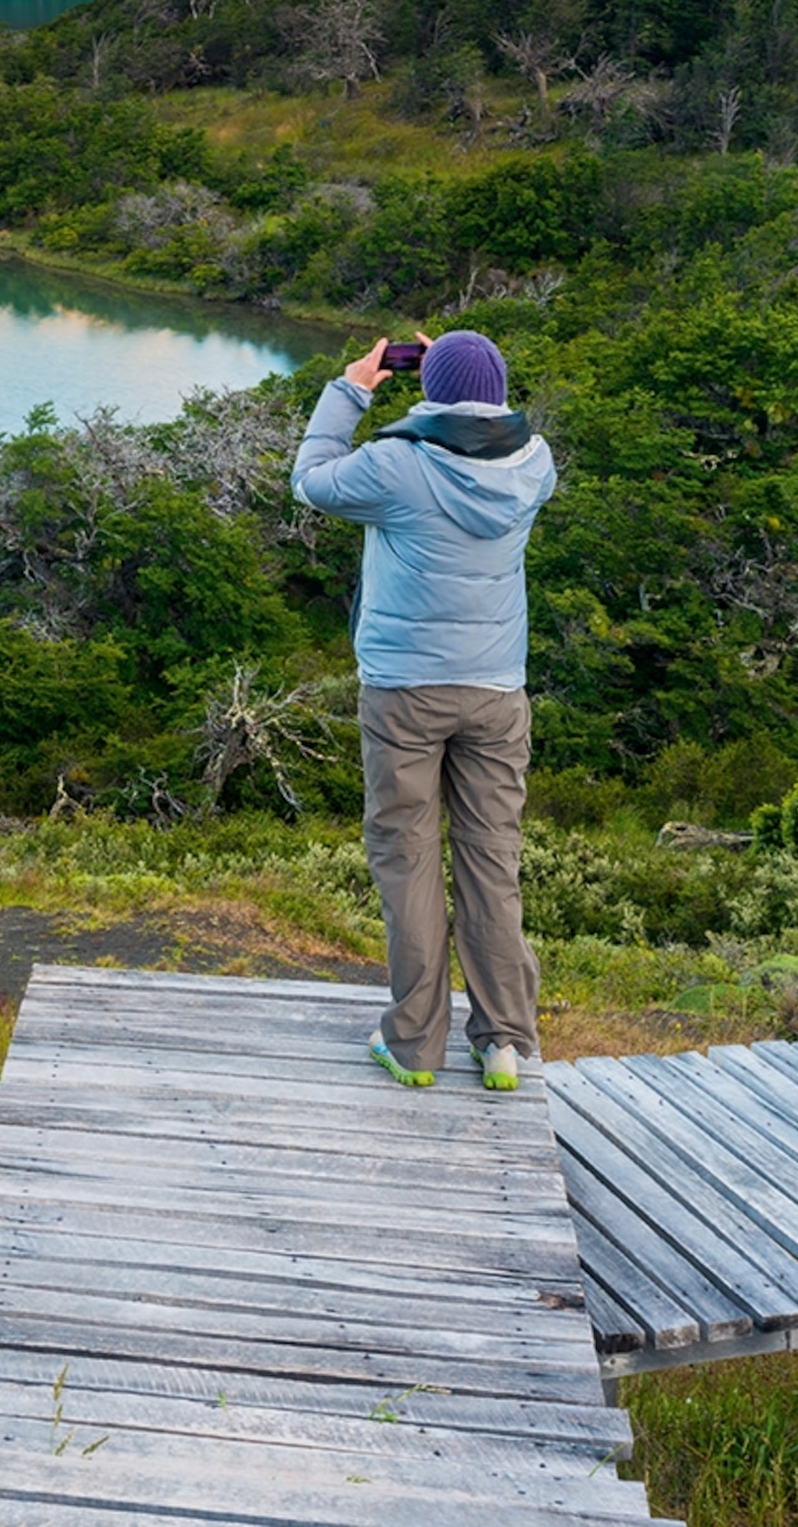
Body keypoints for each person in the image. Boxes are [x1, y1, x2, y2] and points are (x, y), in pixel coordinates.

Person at [290, 325, 555, 1093]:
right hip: (497, 691)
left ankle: (414, 1044)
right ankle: (503, 1039)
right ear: (498, 392)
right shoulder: (535, 464)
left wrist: (353, 389)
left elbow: (310, 479)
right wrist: (462, 383)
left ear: (427, 388)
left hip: (405, 691)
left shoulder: (394, 465)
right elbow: (490, 425)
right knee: (491, 860)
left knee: (408, 857)